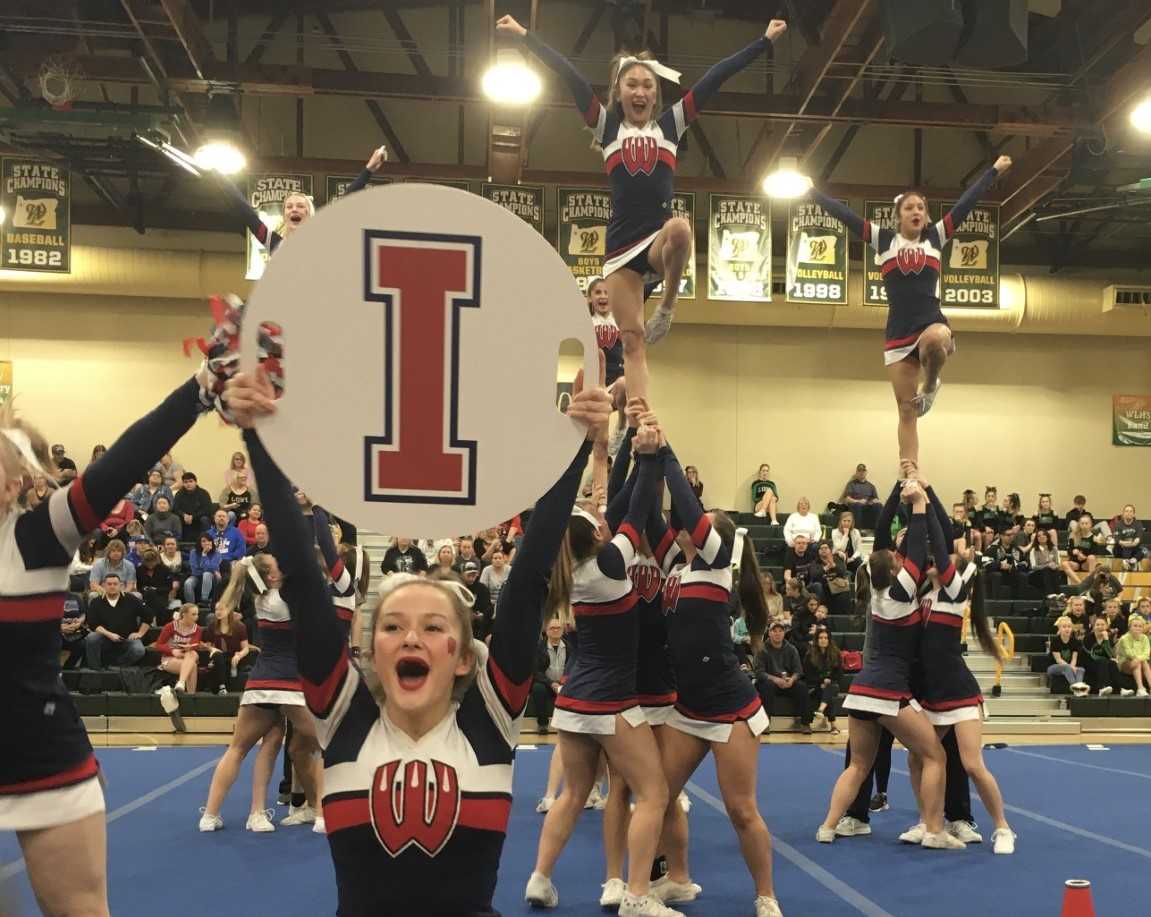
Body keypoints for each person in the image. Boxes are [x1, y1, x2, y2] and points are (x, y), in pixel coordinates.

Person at [226, 364, 613, 914]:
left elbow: (529, 580)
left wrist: (576, 445)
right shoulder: (344, 717)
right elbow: (304, 581)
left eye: (433, 627)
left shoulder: (490, 718)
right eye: (392, 626)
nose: (411, 637)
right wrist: (257, 436)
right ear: (370, 652)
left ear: (464, 658)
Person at [0, 362, 217, 916]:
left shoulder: (37, 535)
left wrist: (198, 388)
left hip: (42, 760)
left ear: (14, 482)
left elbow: (124, 462)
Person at [501, 12, 789, 396]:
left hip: (656, 241)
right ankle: (638, 418)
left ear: (656, 95)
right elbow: (569, 75)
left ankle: (667, 306)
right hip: (621, 249)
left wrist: (763, 42)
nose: (639, 92)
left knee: (681, 228)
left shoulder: (671, 125)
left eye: (647, 86)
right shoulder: (606, 128)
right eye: (631, 84)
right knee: (633, 342)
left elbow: (715, 77)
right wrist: (525, 36)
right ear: (618, 92)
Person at [528, 420, 676, 916]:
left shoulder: (572, 572)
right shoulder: (611, 563)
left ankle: (540, 878)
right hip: (612, 701)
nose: (602, 523)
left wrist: (630, 446)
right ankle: (637, 894)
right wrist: (650, 456)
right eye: (596, 524)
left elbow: (620, 507)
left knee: (573, 794)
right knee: (653, 793)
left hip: (573, 702)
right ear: (591, 536)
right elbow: (635, 512)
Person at [644, 432, 781, 917]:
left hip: (730, 706)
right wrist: (643, 456)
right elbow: (652, 514)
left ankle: (766, 895)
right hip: (688, 706)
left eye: (696, 525)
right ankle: (678, 879)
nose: (685, 528)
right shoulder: (675, 568)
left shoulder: (717, 564)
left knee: (741, 810)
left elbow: (686, 506)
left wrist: (668, 453)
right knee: (660, 796)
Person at [807, 156, 1012, 462]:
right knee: (906, 409)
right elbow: (845, 216)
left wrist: (992, 172)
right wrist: (813, 192)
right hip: (899, 330)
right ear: (898, 217)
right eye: (909, 208)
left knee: (935, 340)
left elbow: (966, 204)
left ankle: (930, 384)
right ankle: (910, 470)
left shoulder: (936, 237)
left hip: (930, 320)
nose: (916, 211)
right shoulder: (883, 241)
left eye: (920, 208)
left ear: (926, 217)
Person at [817, 480, 961, 849]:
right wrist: (918, 505)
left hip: (860, 688)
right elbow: (917, 550)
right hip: (888, 691)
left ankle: (828, 826)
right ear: (896, 568)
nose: (901, 559)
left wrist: (898, 489)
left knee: (857, 765)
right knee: (934, 754)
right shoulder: (901, 592)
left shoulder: (876, 592)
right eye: (898, 560)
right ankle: (934, 829)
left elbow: (882, 534)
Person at [914, 492, 1016, 853]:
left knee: (972, 764)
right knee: (921, 759)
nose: (936, 560)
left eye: (945, 560)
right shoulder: (925, 595)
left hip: (958, 692)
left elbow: (942, 543)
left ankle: (1003, 827)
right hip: (933, 693)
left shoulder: (955, 594)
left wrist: (926, 498)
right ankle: (930, 822)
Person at [198, 554, 322, 834]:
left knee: (242, 747)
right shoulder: (287, 599)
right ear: (272, 576)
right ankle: (319, 813)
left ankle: (214, 814)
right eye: (278, 565)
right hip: (289, 682)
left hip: (260, 681)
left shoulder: (260, 598)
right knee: (324, 744)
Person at [214, 145, 385, 256]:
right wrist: (219, 175)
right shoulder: (273, 242)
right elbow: (246, 213)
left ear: (310, 214)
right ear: (284, 216)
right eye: (289, 207)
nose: (294, 209)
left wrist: (368, 170)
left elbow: (344, 202)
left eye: (300, 206)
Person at [83, 574, 152, 669]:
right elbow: (93, 624)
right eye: (109, 584)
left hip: (128, 638)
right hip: (105, 637)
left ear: (121, 586)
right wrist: (109, 634)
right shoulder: (96, 602)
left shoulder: (131, 599)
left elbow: (148, 615)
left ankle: (117, 666)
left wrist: (140, 633)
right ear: (104, 586)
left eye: (115, 584)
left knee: (139, 650)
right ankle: (95, 669)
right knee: (91, 638)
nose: (112, 586)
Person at [755, 622, 811, 734]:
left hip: (787, 682)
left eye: (780, 631)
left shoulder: (791, 649)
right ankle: (765, 724)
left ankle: (805, 723)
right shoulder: (762, 649)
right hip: (770, 682)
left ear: (784, 633)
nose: (777, 633)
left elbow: (798, 671)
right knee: (766, 686)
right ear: (769, 633)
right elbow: (759, 673)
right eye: (774, 631)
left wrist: (792, 679)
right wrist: (775, 679)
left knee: (802, 687)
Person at [154, 604, 205, 726]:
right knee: (192, 665)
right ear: (184, 614)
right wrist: (173, 651)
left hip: (187, 656)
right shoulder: (170, 626)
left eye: (197, 614)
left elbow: (195, 644)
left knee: (192, 654)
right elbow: (158, 645)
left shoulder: (197, 629)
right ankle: (191, 697)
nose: (197, 617)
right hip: (170, 658)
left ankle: (181, 683)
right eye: (193, 614)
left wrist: (189, 647)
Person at [202, 600, 253, 694]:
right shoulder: (212, 626)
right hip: (219, 657)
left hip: (234, 656)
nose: (218, 612)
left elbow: (245, 648)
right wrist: (212, 649)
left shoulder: (239, 626)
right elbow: (209, 646)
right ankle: (222, 686)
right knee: (218, 656)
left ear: (229, 610)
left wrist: (239, 655)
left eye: (221, 609)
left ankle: (224, 682)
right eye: (216, 609)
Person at [532, 617, 567, 735]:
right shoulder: (539, 648)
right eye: (552, 628)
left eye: (558, 628)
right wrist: (551, 683)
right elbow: (536, 671)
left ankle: (568, 725)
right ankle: (542, 724)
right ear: (546, 631)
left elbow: (573, 668)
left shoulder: (570, 647)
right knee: (538, 688)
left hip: (565, 683)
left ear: (563, 630)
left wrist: (563, 682)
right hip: (546, 683)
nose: (555, 630)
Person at [805, 629, 842, 733]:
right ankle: (833, 725)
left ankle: (820, 709)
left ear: (829, 640)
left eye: (825, 638)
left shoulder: (836, 654)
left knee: (830, 687)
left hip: (831, 684)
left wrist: (829, 680)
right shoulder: (810, 655)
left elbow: (839, 674)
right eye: (820, 638)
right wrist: (821, 682)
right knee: (828, 695)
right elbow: (808, 675)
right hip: (815, 686)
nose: (823, 640)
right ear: (816, 640)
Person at [1083, 616, 1124, 697]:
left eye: (1102, 625)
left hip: (1104, 663)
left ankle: (1121, 689)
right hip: (1089, 663)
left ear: (1106, 627)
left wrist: (1106, 640)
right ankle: (1102, 687)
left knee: (1112, 663)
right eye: (1097, 625)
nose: (1100, 627)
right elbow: (1092, 655)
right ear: (1094, 627)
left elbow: (1110, 655)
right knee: (1104, 661)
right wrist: (1107, 659)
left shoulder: (1108, 638)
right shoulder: (1088, 638)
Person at [136, 545, 180, 618]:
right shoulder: (139, 570)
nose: (150, 564)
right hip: (145, 596)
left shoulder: (164, 569)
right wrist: (145, 589)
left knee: (155, 600)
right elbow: (139, 586)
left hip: (161, 595)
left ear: (156, 560)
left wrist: (156, 589)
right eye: (148, 562)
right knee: (150, 593)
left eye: (152, 561)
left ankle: (152, 618)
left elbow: (168, 587)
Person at [1047, 616, 1088, 693]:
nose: (1067, 629)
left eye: (1069, 627)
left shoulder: (1075, 642)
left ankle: (1078, 689)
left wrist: (1072, 666)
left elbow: (1074, 659)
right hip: (1054, 667)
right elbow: (1058, 660)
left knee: (1081, 669)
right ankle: (1076, 688)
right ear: (1059, 629)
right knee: (1066, 667)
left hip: (1069, 666)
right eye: (1064, 627)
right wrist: (1071, 667)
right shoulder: (1055, 641)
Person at [1115, 614, 1151, 696]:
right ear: (1130, 627)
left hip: (1140, 661)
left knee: (1143, 662)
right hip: (1125, 662)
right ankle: (1140, 688)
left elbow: (1147, 652)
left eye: (1140, 626)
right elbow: (1129, 653)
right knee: (1138, 662)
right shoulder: (1124, 638)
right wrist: (1139, 659)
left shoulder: (1144, 638)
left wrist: (1139, 659)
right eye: (1135, 626)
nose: (1138, 628)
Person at [184, 533, 225, 605]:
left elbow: (214, 567)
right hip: (196, 577)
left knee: (207, 574)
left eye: (209, 541)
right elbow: (194, 570)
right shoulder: (193, 552)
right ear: (199, 543)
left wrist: (204, 555)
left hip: (212, 578)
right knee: (188, 583)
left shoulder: (216, 553)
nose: (207, 543)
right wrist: (211, 569)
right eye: (203, 541)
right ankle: (191, 605)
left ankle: (204, 600)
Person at [840, 464, 881, 529]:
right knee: (858, 505)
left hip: (867, 505)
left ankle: (877, 530)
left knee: (879, 505)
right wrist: (858, 501)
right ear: (857, 472)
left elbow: (876, 499)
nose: (861, 472)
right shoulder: (851, 484)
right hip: (855, 506)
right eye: (859, 471)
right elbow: (847, 499)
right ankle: (858, 530)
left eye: (863, 471)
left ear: (866, 472)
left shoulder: (871, 486)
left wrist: (873, 501)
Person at [1028, 528, 1062, 596]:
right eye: (1039, 536)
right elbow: (1034, 567)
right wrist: (1047, 565)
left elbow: (1058, 564)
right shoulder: (1034, 550)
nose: (1042, 537)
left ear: (1047, 537)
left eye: (1044, 535)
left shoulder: (1054, 549)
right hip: (1037, 575)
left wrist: (1054, 566)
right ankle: (1051, 594)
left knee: (1055, 570)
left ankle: (1058, 594)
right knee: (1046, 570)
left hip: (1051, 574)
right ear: (1037, 539)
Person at [1112, 504, 1147, 569]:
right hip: (1121, 550)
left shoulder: (1138, 524)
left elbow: (1136, 541)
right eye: (1126, 511)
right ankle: (1128, 562)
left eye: (1131, 511)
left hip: (1133, 549)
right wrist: (1128, 543)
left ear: (1133, 514)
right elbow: (1118, 541)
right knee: (1118, 548)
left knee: (1145, 550)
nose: (1128, 513)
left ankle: (1133, 560)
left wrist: (1126, 543)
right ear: (1123, 514)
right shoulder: (1118, 524)